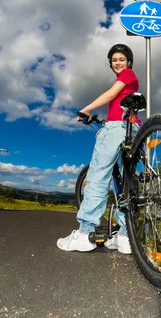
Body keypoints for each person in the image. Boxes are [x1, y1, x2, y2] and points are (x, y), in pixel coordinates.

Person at [57, 44, 141, 254]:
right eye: (114, 60)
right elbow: (117, 101)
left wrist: (86, 109)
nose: (118, 63)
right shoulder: (129, 82)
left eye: (121, 59)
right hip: (131, 128)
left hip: (116, 127)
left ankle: (85, 234)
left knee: (97, 176)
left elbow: (111, 95)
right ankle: (124, 236)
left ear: (129, 62)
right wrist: (94, 118)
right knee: (126, 182)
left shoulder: (128, 75)